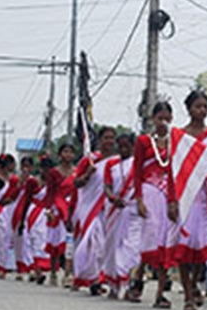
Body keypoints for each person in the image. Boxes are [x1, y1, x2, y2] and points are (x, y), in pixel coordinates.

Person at [173, 90, 207, 310]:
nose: (202, 110)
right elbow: (173, 169)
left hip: (206, 195)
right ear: (189, 109)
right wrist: (171, 200)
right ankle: (188, 295)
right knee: (184, 245)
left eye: (205, 106)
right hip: (185, 194)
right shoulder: (179, 135)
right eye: (198, 106)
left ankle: (195, 282)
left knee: (202, 245)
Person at [132, 104, 179, 308]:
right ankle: (138, 278)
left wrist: (174, 200)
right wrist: (139, 199)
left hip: (168, 195)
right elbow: (136, 171)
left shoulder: (175, 142)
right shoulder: (143, 141)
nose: (163, 123)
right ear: (152, 119)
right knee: (150, 238)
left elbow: (176, 172)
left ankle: (161, 293)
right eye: (160, 118)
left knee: (165, 241)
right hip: (149, 193)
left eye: (167, 119)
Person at [72, 127, 116, 295]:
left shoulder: (117, 161)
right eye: (106, 138)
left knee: (104, 244)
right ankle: (89, 277)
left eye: (112, 138)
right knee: (91, 243)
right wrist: (88, 174)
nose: (109, 141)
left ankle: (99, 278)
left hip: (109, 207)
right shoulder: (89, 160)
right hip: (89, 208)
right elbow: (76, 183)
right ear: (99, 140)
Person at [102, 133, 139, 299]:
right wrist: (112, 198)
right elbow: (107, 186)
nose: (123, 149)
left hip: (133, 209)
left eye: (127, 146)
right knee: (112, 247)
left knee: (131, 247)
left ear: (133, 147)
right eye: (121, 146)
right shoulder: (111, 164)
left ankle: (126, 282)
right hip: (114, 210)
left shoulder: (138, 163)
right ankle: (113, 284)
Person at [45, 143, 77, 287]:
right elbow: (50, 192)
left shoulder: (77, 172)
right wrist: (49, 210)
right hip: (57, 208)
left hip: (72, 207)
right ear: (60, 154)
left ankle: (68, 274)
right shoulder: (53, 172)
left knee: (70, 242)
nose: (68, 155)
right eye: (65, 151)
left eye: (70, 152)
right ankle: (53, 272)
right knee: (55, 242)